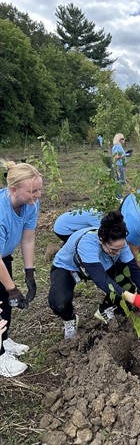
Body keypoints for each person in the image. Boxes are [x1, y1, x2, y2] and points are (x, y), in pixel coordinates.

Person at [48, 210, 140, 339]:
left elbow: (134, 270)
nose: (118, 253)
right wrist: (134, 298)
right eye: (114, 250)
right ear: (101, 240)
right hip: (69, 268)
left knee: (127, 286)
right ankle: (70, 319)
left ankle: (105, 309)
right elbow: (101, 280)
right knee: (59, 303)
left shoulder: (119, 244)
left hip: (103, 265)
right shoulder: (87, 244)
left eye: (121, 249)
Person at [0, 160, 43, 377]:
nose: (37, 194)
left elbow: (27, 239)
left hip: (3, 256)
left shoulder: (31, 205)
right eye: (32, 191)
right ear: (13, 190)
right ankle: (0, 358)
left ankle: (4, 340)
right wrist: (12, 288)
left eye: (39, 190)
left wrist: (29, 273)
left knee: (5, 301)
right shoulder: (1, 211)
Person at [112, 133, 131, 200]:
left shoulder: (119, 146)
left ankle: (118, 195)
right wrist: (124, 155)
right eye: (122, 138)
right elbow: (115, 156)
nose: (123, 139)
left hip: (121, 165)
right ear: (118, 139)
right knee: (120, 181)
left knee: (121, 180)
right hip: (118, 165)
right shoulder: (116, 146)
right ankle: (118, 197)